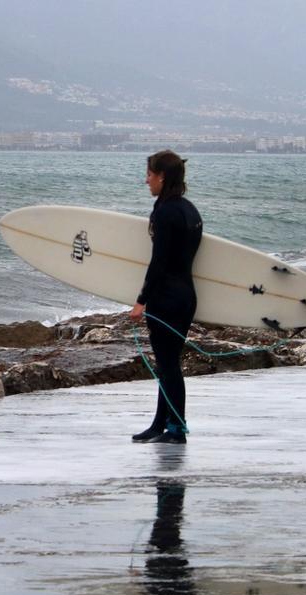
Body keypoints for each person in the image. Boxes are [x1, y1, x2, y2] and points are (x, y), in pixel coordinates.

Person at [130, 150, 203, 445]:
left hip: (166, 299)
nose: (146, 180)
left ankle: (176, 428)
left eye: (149, 174)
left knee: (169, 365)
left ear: (161, 176)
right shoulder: (189, 209)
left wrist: (141, 300)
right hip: (186, 297)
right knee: (167, 363)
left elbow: (159, 262)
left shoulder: (164, 212)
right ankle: (161, 424)